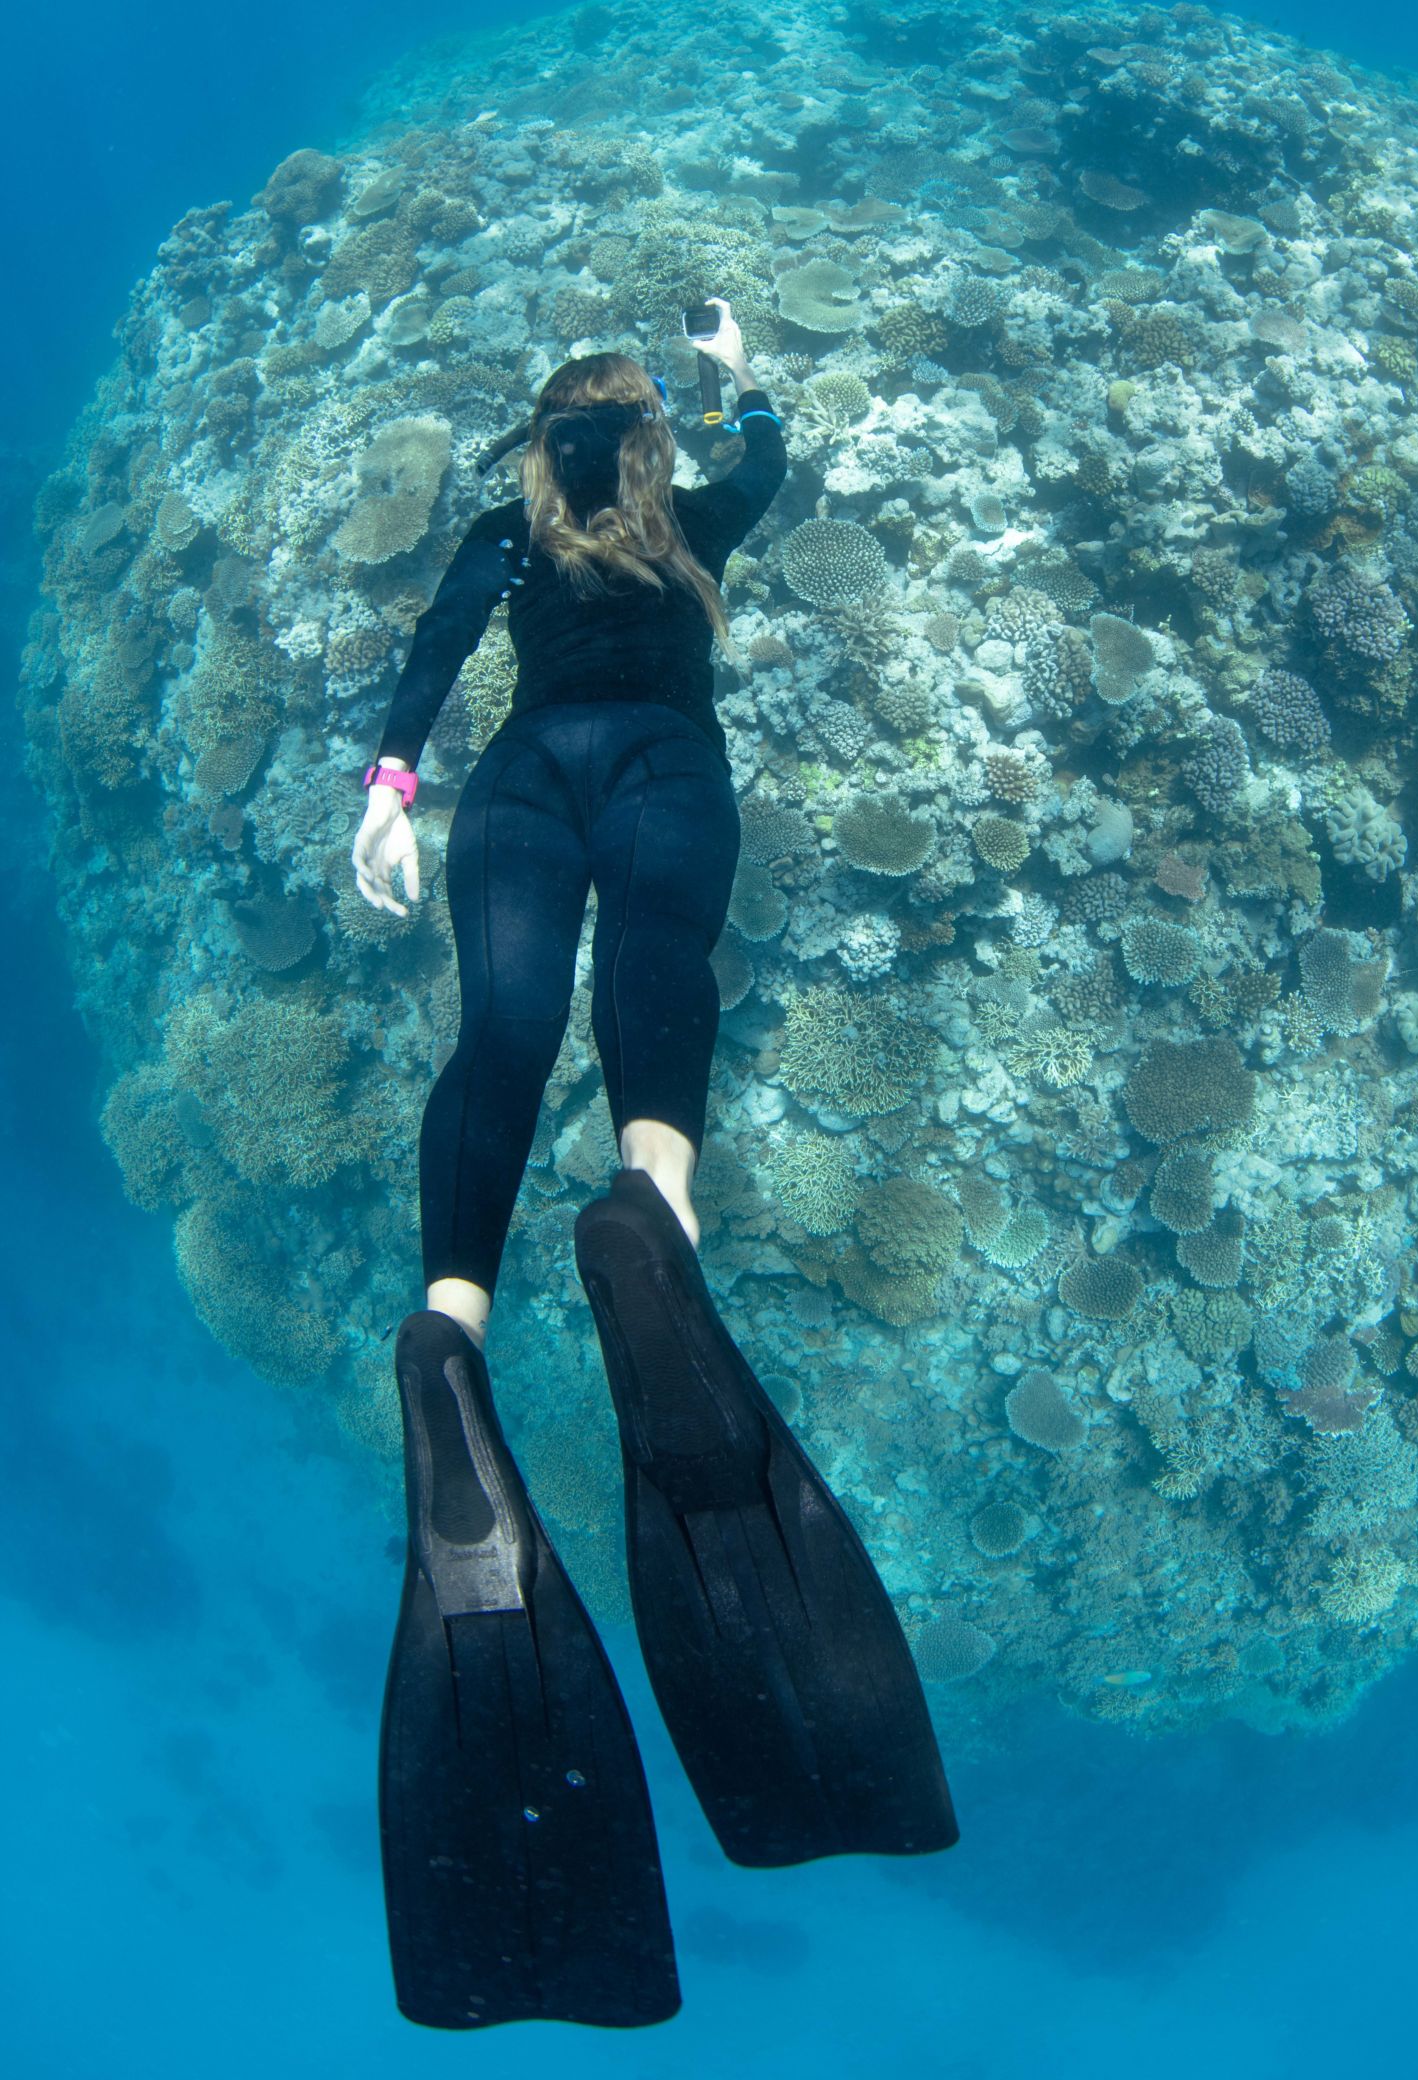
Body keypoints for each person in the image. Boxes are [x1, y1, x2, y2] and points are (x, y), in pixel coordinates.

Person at [354, 305, 956, 2032]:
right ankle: (653, 1221)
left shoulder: (498, 532)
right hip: (666, 773)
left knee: (499, 1036)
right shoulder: (693, 518)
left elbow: (433, 655)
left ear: (538, 447)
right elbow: (777, 459)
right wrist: (738, 365)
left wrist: (389, 791)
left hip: (525, 780)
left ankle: (448, 1326)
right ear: (646, 451)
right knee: (660, 977)